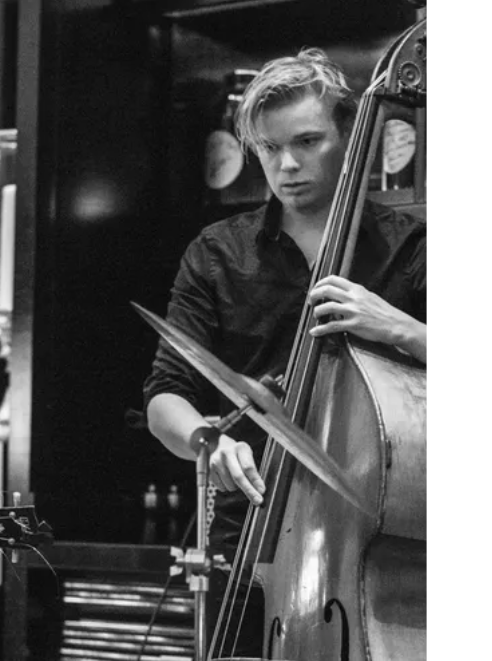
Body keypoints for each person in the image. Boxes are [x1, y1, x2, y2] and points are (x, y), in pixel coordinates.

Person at [143, 47, 425, 558]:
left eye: (308, 141)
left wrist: (401, 327)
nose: (288, 164)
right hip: (250, 536)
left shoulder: (413, 248)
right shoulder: (217, 252)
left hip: (381, 540)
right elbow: (165, 396)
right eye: (270, 149)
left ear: (350, 138)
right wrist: (207, 442)